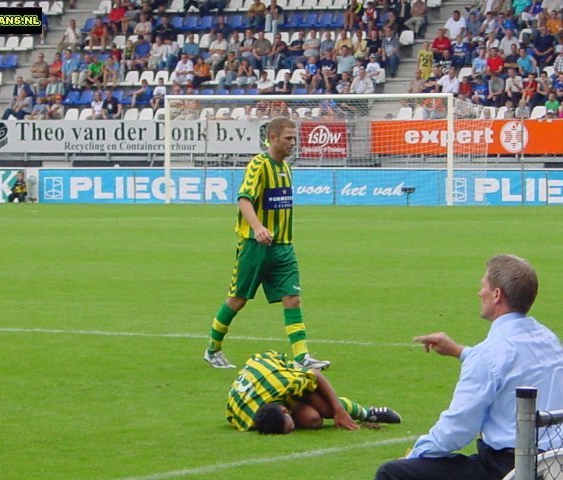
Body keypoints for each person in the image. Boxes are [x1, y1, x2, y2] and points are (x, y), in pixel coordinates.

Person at [374, 254, 563, 480]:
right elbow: (512, 364)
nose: (479, 292)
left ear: (496, 295)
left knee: (391, 473)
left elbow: (455, 431)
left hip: (507, 469)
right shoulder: (548, 339)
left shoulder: (489, 354)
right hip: (553, 464)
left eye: (483, 285)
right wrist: (461, 352)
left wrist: (414, 454)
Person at [203, 118, 332, 370]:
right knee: (237, 300)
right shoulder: (259, 165)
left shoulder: (286, 168)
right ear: (273, 138)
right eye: (288, 138)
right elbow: (243, 199)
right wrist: (258, 227)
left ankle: (302, 357)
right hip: (255, 246)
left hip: (283, 246)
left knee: (292, 298)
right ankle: (213, 349)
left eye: (294, 138)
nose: (293, 143)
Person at [227, 350, 402, 433]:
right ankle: (305, 405)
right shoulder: (246, 420)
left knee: (327, 409)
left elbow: (315, 375)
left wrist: (339, 410)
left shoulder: (288, 382)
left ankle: (367, 412)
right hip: (263, 383)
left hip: (272, 367)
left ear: (284, 409)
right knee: (313, 420)